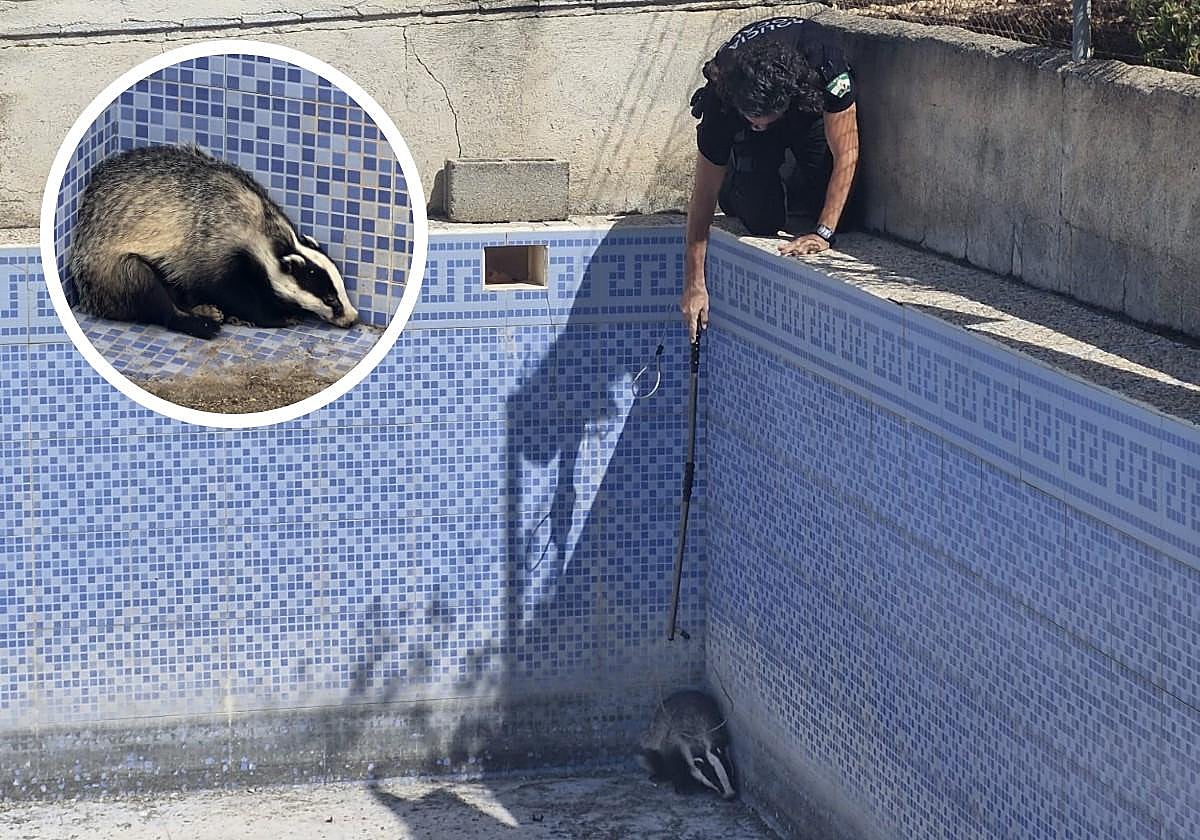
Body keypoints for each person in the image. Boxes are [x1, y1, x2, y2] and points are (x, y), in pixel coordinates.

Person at [679, 16, 862, 339]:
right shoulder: (722, 99)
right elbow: (703, 195)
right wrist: (695, 285)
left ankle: (796, 178)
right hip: (745, 120)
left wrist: (823, 233)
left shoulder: (825, 64)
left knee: (843, 217)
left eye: (765, 120)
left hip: (806, 111)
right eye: (755, 119)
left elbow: (846, 153)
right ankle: (739, 174)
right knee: (760, 219)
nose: (760, 124)